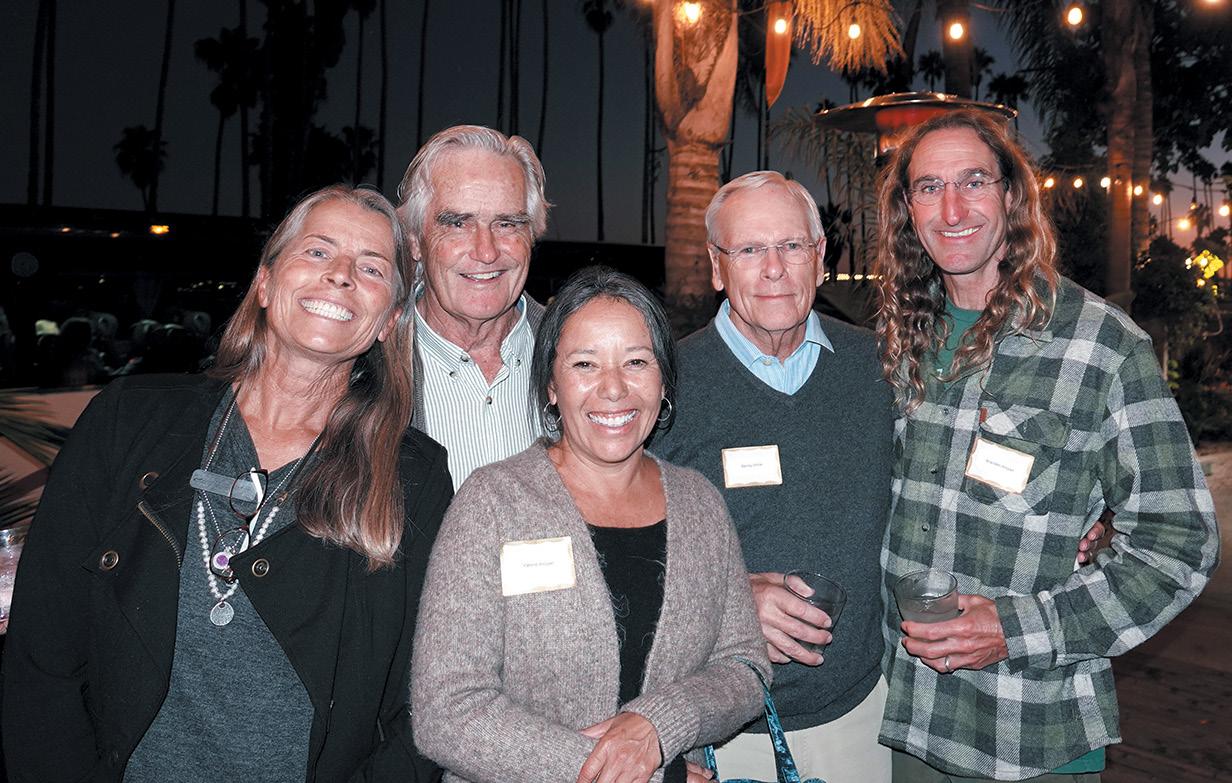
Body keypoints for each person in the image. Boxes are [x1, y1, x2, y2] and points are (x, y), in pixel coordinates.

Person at [2, 185, 453, 782]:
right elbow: (42, 651)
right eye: (318, 252)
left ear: (389, 320)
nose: (341, 275)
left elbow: (426, 702)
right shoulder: (128, 421)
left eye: (371, 268)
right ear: (264, 283)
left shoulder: (412, 475)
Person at [874, 109, 1220, 782]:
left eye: (973, 181)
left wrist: (1017, 628)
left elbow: (1180, 542)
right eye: (928, 187)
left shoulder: (1101, 344)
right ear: (907, 211)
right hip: (909, 719)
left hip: (1031, 730)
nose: (952, 209)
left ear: (1011, 195)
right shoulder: (898, 342)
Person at [412, 266, 769, 783]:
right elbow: (445, 713)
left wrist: (659, 726)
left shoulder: (700, 504)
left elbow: (745, 667)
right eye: (585, 364)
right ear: (551, 385)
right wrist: (640, 774)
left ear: (663, 381)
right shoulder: (492, 504)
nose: (613, 388)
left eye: (636, 362)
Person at [651, 171, 897, 783]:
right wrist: (726, 601)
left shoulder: (880, 369)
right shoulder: (662, 386)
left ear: (820, 257)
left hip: (863, 718)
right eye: (750, 250)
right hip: (723, 729)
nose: (774, 269)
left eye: (791, 246)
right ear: (717, 267)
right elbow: (617, 551)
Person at [396, 124, 550, 489]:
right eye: (458, 224)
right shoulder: (365, 371)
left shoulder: (578, 354)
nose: (486, 251)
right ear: (415, 240)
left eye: (507, 224)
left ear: (532, 235)